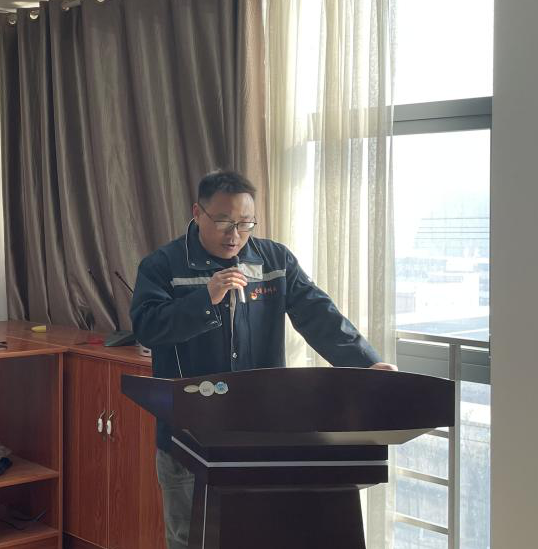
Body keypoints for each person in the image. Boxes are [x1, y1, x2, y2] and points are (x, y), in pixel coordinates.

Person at [128, 170, 395, 549]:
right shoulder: (163, 265)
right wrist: (206, 298)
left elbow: (320, 316)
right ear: (197, 213)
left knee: (260, 535)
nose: (234, 235)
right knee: (191, 539)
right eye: (223, 222)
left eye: (245, 223)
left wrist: (367, 365)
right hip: (188, 435)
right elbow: (147, 328)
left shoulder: (274, 260)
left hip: (260, 432)